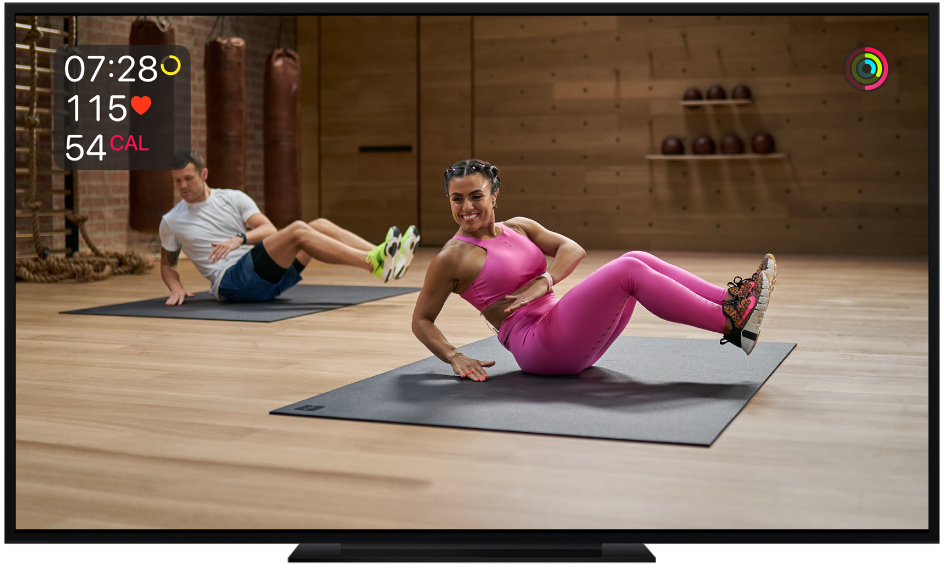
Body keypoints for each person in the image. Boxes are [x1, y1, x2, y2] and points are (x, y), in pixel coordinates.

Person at [411, 158, 777, 381]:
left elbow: (574, 249)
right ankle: (733, 324)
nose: (467, 207)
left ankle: (734, 300)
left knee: (637, 257)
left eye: (476, 195)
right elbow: (422, 320)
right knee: (628, 271)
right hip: (539, 345)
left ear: (494, 195)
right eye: (457, 198)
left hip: (563, 329)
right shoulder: (452, 257)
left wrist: (546, 281)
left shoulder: (519, 227)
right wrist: (454, 356)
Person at [159, 150, 420, 305]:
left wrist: (239, 238)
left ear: (204, 175)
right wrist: (175, 286)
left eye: (188, 178)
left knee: (318, 225)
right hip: (232, 284)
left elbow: (268, 231)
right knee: (297, 230)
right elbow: (167, 264)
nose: (182, 186)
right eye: (176, 180)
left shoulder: (232, 197)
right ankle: (373, 263)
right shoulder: (171, 220)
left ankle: (387, 255)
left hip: (265, 276)